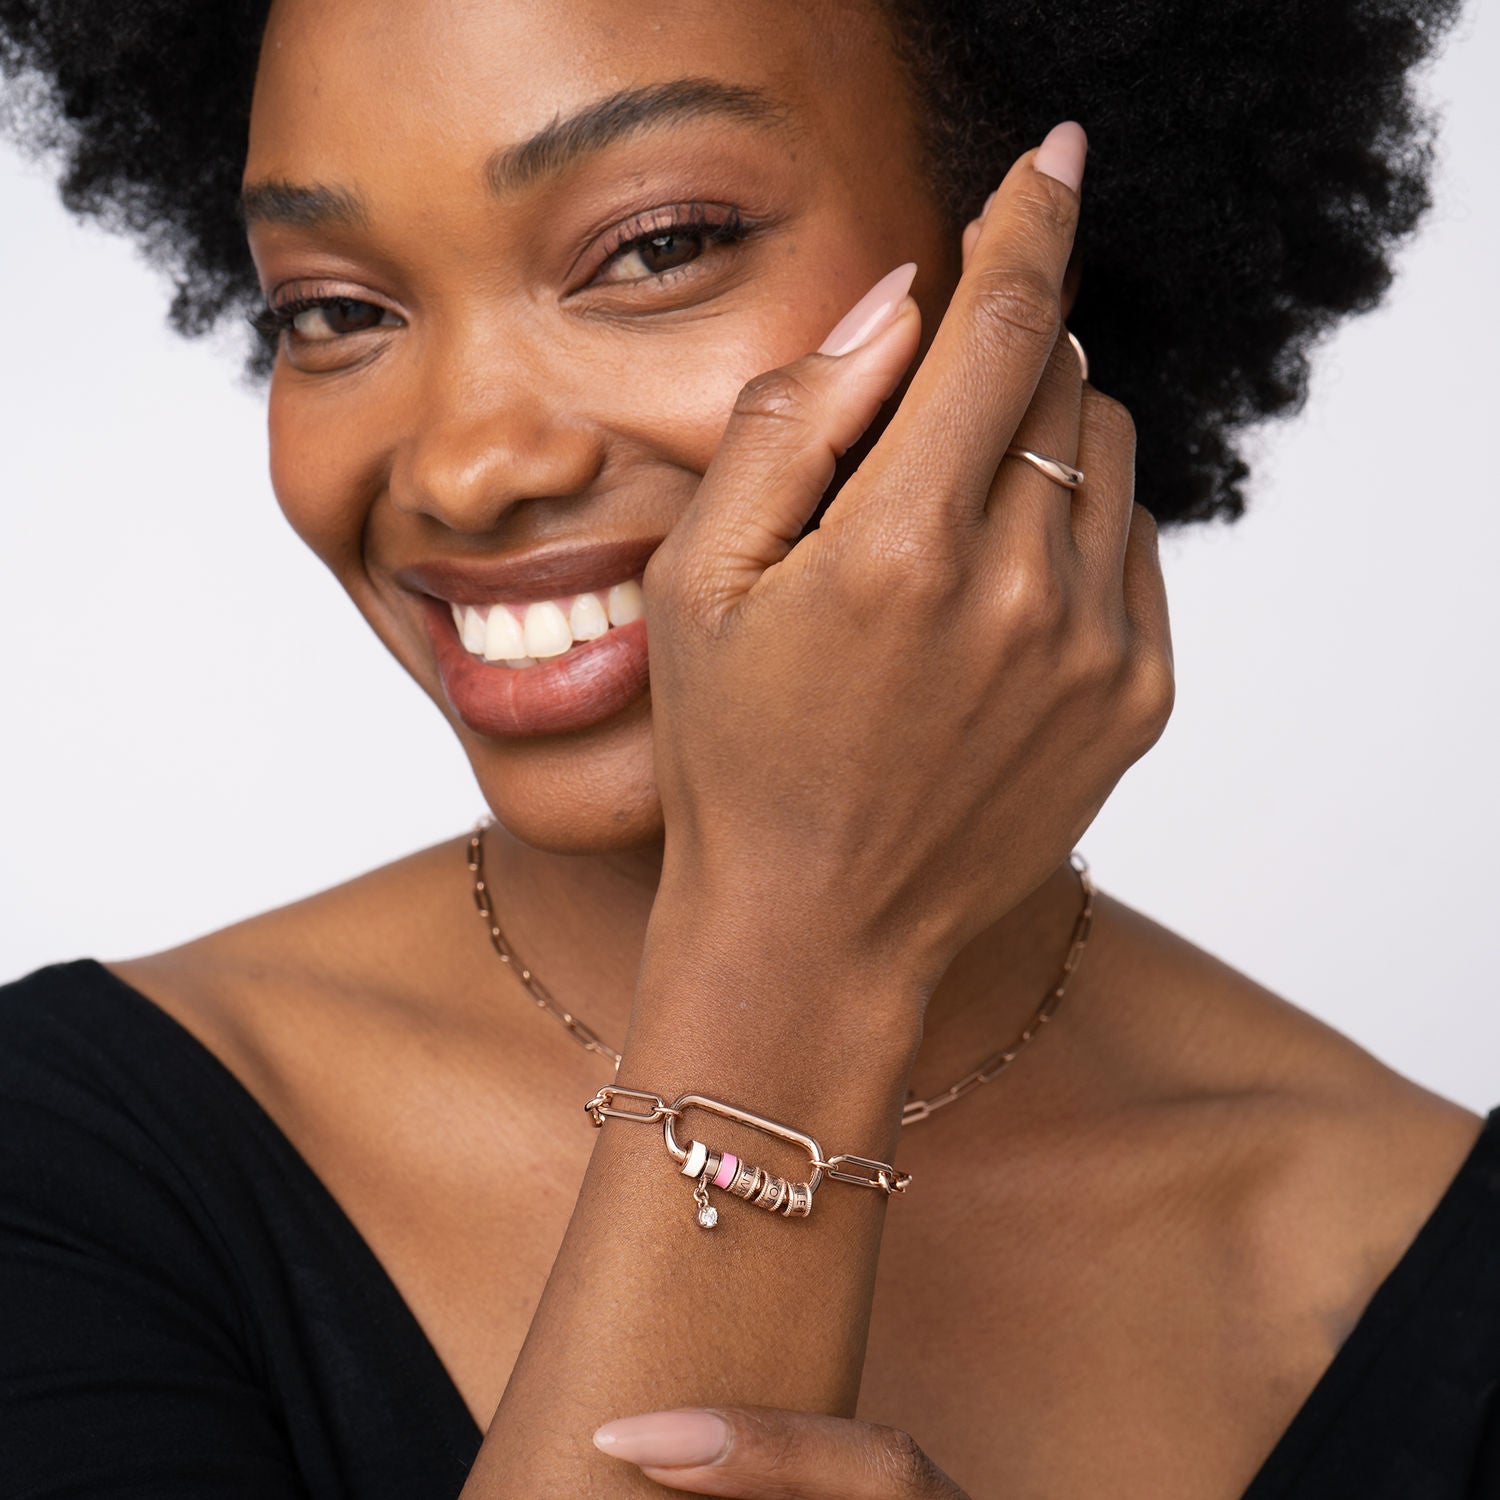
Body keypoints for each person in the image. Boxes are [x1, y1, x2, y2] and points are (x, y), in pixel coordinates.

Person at [1, 1, 1493, 1497]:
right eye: (332, 311)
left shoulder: (1440, 1273)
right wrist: (802, 947)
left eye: (658, 248)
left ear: (1029, 279)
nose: (465, 469)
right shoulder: (59, 1163)